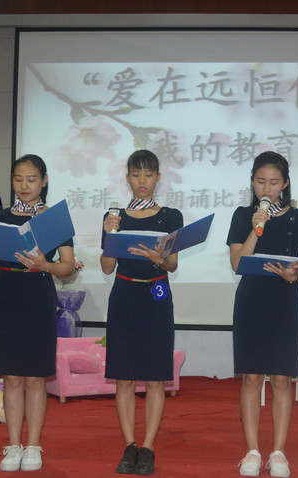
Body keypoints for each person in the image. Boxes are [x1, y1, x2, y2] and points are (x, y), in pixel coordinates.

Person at [0, 154, 75, 472]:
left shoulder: (53, 220)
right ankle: (13, 445)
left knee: (34, 377)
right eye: (18, 179)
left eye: (31, 179)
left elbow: (68, 267)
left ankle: (33, 446)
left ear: (44, 181)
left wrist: (46, 265)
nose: (24, 185)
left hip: (38, 297)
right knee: (12, 377)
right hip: (7, 297)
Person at [226, 151, 298, 478]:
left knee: (281, 379)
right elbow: (238, 263)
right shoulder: (242, 215)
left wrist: (297, 273)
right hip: (251, 301)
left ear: (285, 183)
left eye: (274, 182)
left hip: (285, 301)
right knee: (251, 377)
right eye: (261, 181)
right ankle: (252, 451)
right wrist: (256, 228)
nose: (267, 188)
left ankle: (278, 452)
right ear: (252, 182)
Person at [100, 149, 183, 476]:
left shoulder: (170, 217)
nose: (142, 181)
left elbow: (172, 264)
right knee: (123, 378)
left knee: (155, 378)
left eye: (148, 175)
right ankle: (130, 445)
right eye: (136, 175)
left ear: (158, 178)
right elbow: (107, 267)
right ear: (127, 178)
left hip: (156, 295)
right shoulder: (114, 216)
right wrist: (110, 233)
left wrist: (156, 257)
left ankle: (147, 447)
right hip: (124, 295)